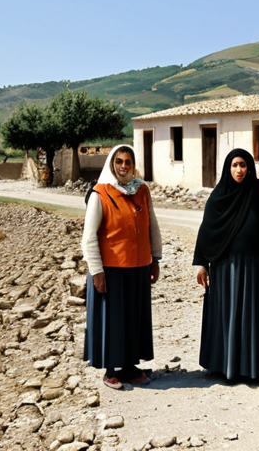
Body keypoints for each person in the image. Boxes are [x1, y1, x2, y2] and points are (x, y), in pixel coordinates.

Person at [193, 148, 259, 381]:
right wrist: (201, 264)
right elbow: (206, 232)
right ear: (228, 168)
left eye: (243, 165)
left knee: (252, 314)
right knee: (227, 314)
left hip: (256, 265)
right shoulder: (218, 196)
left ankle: (253, 366)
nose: (239, 170)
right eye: (234, 165)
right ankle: (225, 365)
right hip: (225, 267)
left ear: (249, 168)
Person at [82, 145, 162, 390]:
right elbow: (89, 237)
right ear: (111, 164)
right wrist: (97, 271)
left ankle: (130, 367)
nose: (124, 166)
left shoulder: (142, 190)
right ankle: (110, 370)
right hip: (111, 269)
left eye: (128, 161)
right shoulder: (100, 193)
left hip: (138, 266)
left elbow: (152, 226)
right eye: (119, 161)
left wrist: (155, 258)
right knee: (112, 320)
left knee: (133, 318)